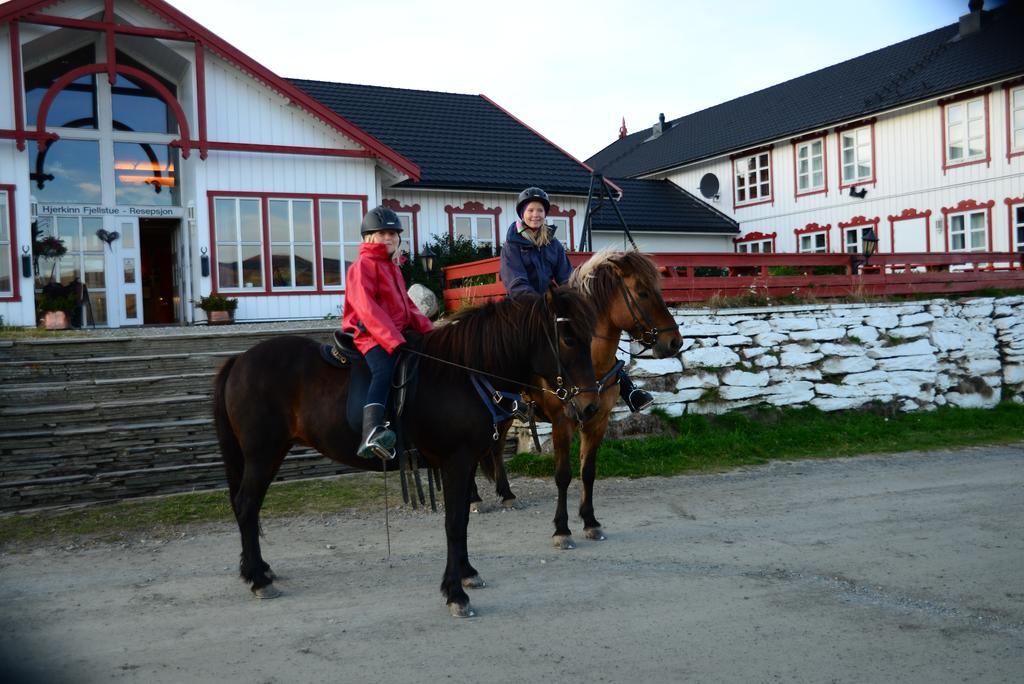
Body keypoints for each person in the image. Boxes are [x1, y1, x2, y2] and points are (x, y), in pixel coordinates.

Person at [499, 187, 653, 412]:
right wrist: (546, 303)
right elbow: (516, 284)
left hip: (553, 303)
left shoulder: (553, 244)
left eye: (540, 210)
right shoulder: (512, 246)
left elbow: (566, 277)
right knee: (516, 344)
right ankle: (513, 398)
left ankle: (629, 389)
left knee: (586, 337)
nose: (535, 214)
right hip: (524, 305)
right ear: (522, 213)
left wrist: (575, 300)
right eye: (530, 210)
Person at [342, 206, 433, 459]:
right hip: (370, 335)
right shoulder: (362, 266)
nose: (389, 238)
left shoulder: (392, 267)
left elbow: (408, 306)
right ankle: (371, 430)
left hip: (396, 333)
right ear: (369, 238)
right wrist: (394, 340)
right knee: (383, 370)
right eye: (382, 233)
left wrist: (430, 331)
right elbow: (368, 309)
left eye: (393, 233)